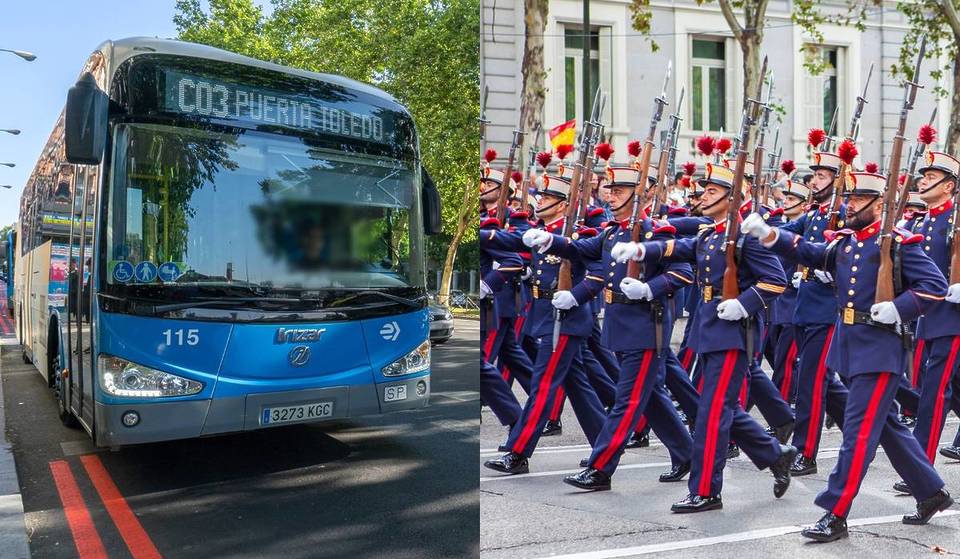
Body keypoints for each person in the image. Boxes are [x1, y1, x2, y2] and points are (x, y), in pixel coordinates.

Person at [742, 170, 953, 542]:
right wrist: (771, 236)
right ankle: (930, 491)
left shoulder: (900, 243)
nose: (848, 205)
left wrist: (901, 308)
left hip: (881, 352)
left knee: (857, 434)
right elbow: (813, 253)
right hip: (852, 349)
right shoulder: (849, 242)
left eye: (856, 200)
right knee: (887, 426)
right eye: (849, 198)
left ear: (877, 206)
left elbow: (934, 285)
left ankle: (835, 510)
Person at [611, 162, 796, 513]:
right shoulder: (712, 233)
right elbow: (677, 248)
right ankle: (776, 454)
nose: (704, 195)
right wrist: (640, 251)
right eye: (706, 190)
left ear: (732, 197)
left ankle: (707, 490)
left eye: (712, 191)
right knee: (722, 407)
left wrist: (743, 305)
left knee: (712, 413)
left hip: (733, 333)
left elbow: (775, 281)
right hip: (709, 329)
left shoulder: (744, 237)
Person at [523, 163, 696, 490]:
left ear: (637, 194)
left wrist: (649, 288)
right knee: (652, 398)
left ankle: (600, 469)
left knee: (627, 402)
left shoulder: (653, 232)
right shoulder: (613, 232)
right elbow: (577, 249)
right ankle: (687, 453)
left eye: (618, 191)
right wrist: (550, 241)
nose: (610, 195)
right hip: (622, 328)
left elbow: (684, 272)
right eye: (610, 190)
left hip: (647, 328)